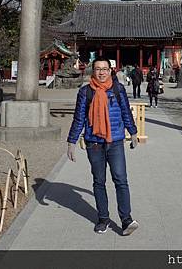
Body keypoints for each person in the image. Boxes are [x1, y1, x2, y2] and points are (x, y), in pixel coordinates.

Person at [67, 56, 140, 236]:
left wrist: (133, 132)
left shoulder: (118, 89)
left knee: (121, 180)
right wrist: (71, 142)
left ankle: (126, 219)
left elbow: (125, 112)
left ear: (110, 71)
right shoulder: (85, 92)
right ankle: (103, 218)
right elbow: (79, 118)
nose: (101, 72)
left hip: (115, 141)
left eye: (104, 69)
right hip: (94, 143)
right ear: (93, 71)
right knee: (99, 181)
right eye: (98, 69)